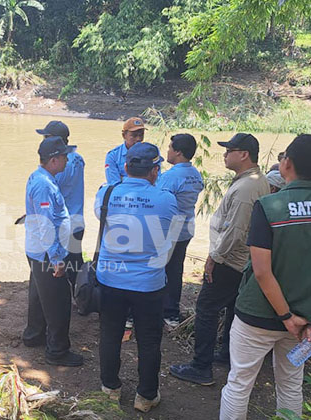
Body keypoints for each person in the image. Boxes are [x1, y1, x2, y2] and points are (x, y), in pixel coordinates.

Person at [219, 134, 311, 420]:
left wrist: (285, 316)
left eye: (282, 157)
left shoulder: (269, 207)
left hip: (258, 315)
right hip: (305, 323)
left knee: (239, 383)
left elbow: (261, 270)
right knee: (291, 384)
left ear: (287, 163)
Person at [170, 133, 270, 386]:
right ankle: (226, 354)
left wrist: (215, 257)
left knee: (206, 308)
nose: (225, 154)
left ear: (244, 154)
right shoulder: (253, 180)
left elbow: (236, 229)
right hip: (240, 260)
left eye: (229, 150)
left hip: (230, 260)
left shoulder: (248, 186)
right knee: (232, 308)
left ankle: (200, 366)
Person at [95, 142, 180, 413]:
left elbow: (101, 219)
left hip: (111, 279)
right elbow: (171, 236)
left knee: (110, 334)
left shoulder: (106, 194)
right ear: (154, 171)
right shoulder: (166, 199)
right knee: (149, 339)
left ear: (126, 167)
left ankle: (110, 388)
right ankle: (145, 396)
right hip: (148, 283)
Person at [22, 136, 84, 367]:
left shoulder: (41, 178)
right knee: (58, 301)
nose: (68, 160)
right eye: (65, 156)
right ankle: (57, 351)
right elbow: (47, 224)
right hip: (47, 253)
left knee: (39, 295)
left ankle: (34, 335)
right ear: (54, 160)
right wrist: (57, 258)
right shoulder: (44, 185)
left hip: (38, 250)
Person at [156, 133, 204, 327]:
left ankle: (159, 310)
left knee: (159, 268)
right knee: (176, 269)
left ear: (178, 152)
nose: (167, 150)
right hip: (186, 228)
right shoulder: (195, 174)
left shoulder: (171, 176)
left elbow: (159, 201)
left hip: (170, 230)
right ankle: (172, 313)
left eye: (170, 147)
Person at [36, 121, 85, 286]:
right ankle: (81, 299)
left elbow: (49, 194)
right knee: (75, 263)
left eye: (45, 137)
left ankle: (74, 301)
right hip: (77, 220)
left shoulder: (60, 164)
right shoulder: (77, 158)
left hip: (63, 224)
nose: (42, 141)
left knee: (62, 268)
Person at [105, 117, 161, 185]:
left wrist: (124, 179)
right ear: (124, 135)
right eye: (134, 136)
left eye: (141, 135)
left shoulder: (151, 152)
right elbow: (113, 183)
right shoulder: (113, 156)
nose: (138, 139)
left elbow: (157, 179)